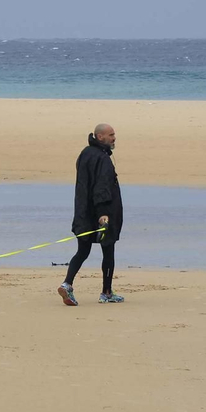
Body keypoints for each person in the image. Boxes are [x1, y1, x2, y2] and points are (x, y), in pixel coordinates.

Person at [59, 123, 123, 305]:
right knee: (108, 251)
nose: (114, 137)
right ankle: (107, 292)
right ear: (100, 137)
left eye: (114, 134)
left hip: (83, 212)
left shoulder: (85, 153)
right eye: (111, 135)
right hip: (101, 214)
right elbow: (101, 187)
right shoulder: (101, 159)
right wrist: (103, 213)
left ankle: (67, 284)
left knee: (82, 251)